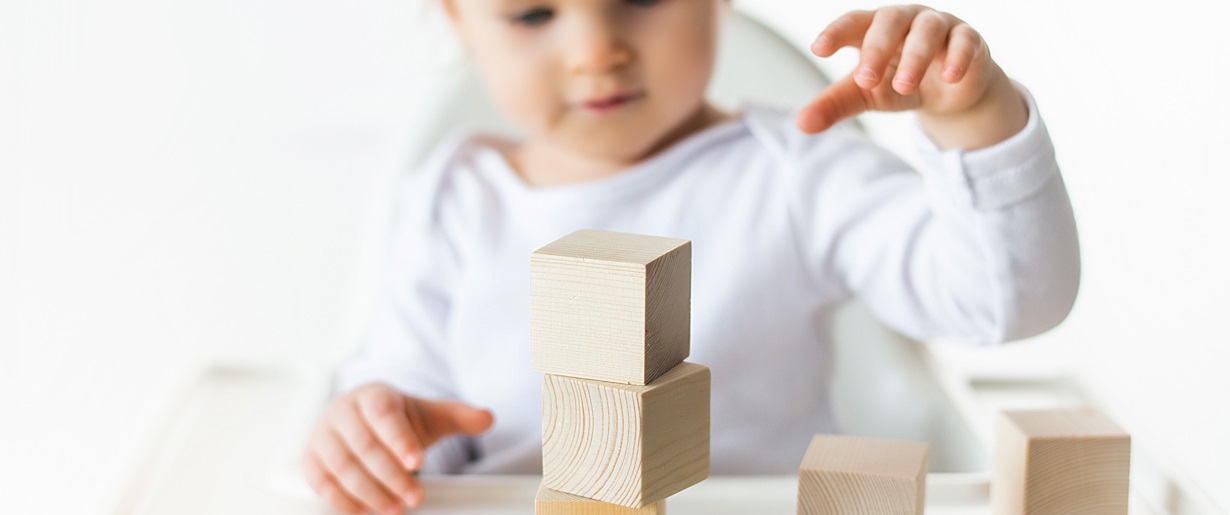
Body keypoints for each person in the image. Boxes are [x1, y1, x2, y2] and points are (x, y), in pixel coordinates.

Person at [301, 2, 1080, 514]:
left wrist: (975, 118)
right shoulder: (452, 196)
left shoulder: (796, 171)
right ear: (459, 20)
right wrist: (375, 422)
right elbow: (407, 387)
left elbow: (1005, 300)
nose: (595, 50)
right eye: (533, 11)